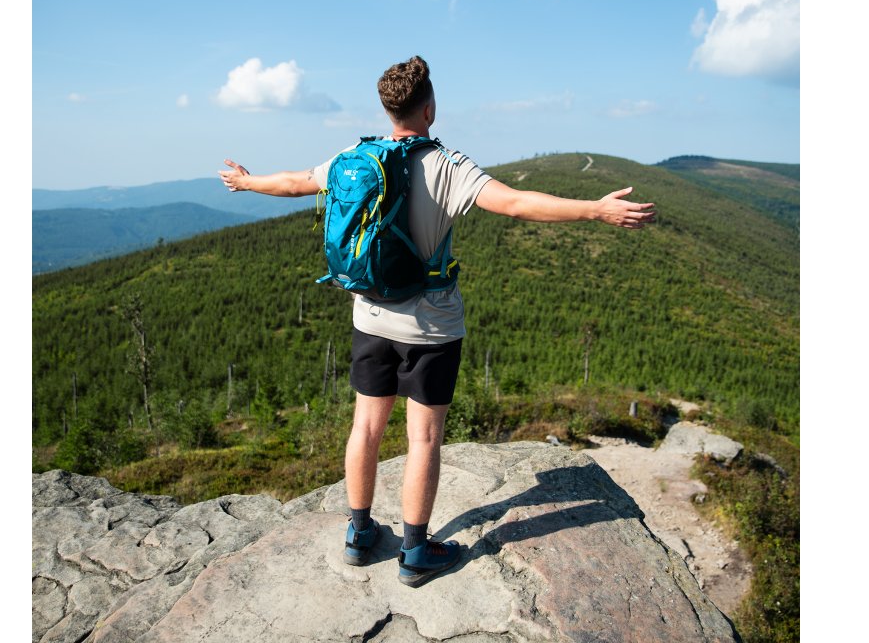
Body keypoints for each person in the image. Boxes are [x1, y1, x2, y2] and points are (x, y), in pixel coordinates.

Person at [219, 55, 655, 587]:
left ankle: (359, 534)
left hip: (369, 316)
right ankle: (414, 552)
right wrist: (596, 210)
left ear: (388, 109)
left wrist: (246, 182)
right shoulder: (448, 166)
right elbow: (516, 203)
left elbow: (293, 183)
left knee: (365, 427)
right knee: (423, 439)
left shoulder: (353, 157)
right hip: (431, 328)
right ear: (429, 108)